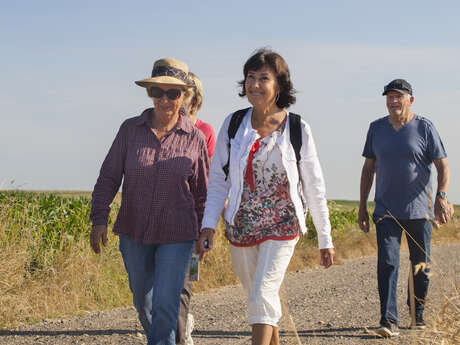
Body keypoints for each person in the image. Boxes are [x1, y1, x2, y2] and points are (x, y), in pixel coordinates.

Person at [197, 48, 335, 345]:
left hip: (283, 224)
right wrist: (208, 225)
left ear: (279, 85)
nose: (255, 84)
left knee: (263, 292)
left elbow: (314, 186)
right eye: (250, 77)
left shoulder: (297, 128)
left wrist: (325, 238)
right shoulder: (234, 124)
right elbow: (219, 181)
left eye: (264, 78)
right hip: (241, 224)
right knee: (259, 298)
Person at [89, 58, 209, 345]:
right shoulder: (130, 130)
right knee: (144, 302)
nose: (165, 100)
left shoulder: (195, 139)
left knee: (166, 306)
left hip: (178, 234)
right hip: (134, 232)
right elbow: (108, 176)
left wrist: (206, 233)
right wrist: (99, 219)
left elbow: (203, 191)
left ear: (184, 97)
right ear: (150, 94)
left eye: (173, 93)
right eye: (157, 92)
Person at [358, 79, 451, 338]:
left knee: (421, 265)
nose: (393, 101)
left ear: (410, 100)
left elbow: (443, 165)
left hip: (419, 212)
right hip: (386, 210)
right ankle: (388, 320)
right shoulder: (376, 129)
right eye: (389, 96)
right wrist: (363, 206)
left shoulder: (425, 127)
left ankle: (417, 313)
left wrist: (442, 197)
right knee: (387, 263)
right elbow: (368, 170)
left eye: (398, 96)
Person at [175, 72, 216, 345]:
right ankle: (174, 323)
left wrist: (208, 224)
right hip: (163, 217)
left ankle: (181, 324)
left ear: (194, 98)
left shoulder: (205, 131)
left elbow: (208, 180)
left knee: (186, 279)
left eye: (184, 94)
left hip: (193, 218)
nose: (179, 101)